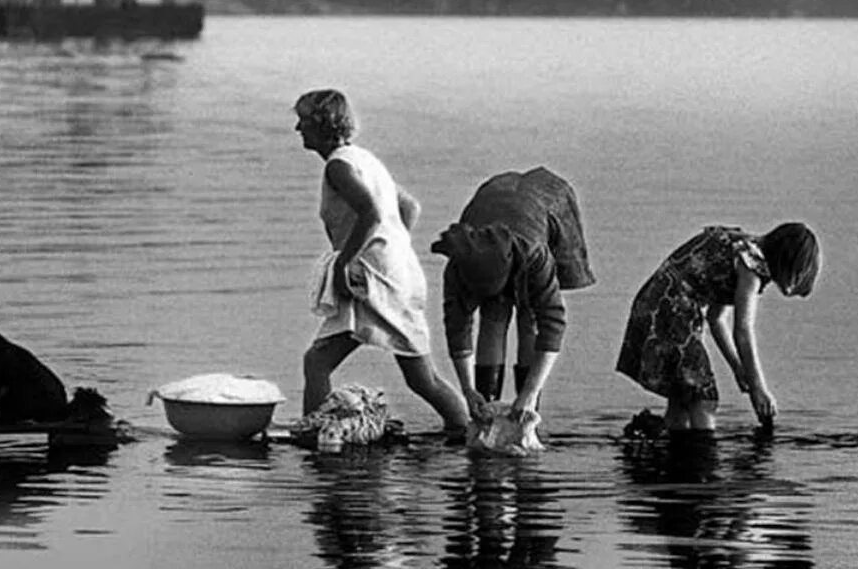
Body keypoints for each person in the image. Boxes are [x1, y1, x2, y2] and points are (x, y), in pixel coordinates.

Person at [294, 89, 468, 434]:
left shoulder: (339, 166)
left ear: (321, 125)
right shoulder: (364, 159)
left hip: (371, 278)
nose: (298, 127)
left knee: (317, 361)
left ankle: (312, 433)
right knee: (422, 378)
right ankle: (463, 427)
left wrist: (345, 262)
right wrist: (393, 248)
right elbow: (409, 207)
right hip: (397, 274)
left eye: (303, 120)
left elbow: (371, 213)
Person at [615, 223, 821, 433]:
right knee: (704, 398)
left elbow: (717, 319)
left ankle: (657, 437)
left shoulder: (741, 248)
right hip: (671, 311)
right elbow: (743, 330)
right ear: (785, 261)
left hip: (655, 304)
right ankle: (703, 457)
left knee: (682, 399)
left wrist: (738, 368)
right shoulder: (751, 268)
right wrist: (759, 388)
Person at [431, 167, 596, 422]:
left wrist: (529, 394)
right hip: (492, 199)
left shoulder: (535, 255)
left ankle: (528, 408)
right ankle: (485, 405)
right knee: (494, 312)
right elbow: (457, 327)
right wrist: (468, 390)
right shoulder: (460, 263)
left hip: (546, 201)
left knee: (529, 315)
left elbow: (552, 325)